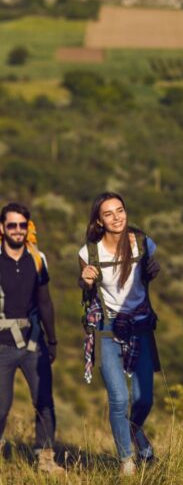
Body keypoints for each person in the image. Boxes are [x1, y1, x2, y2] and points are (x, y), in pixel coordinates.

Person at [78, 192, 160, 476]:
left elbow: (150, 271)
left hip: (141, 327)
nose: (116, 217)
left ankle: (135, 432)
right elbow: (86, 287)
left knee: (143, 399)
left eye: (120, 210)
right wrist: (85, 281)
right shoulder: (89, 253)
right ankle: (127, 462)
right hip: (107, 328)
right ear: (99, 221)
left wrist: (153, 270)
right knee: (119, 398)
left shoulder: (144, 243)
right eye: (108, 213)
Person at [0, 203, 63, 474]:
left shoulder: (38, 259)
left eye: (22, 225)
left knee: (44, 402)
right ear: (2, 228)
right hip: (2, 346)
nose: (17, 230)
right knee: (1, 406)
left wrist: (52, 340)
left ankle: (46, 459)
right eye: (12, 225)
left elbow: (45, 302)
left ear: (28, 227)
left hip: (33, 343)